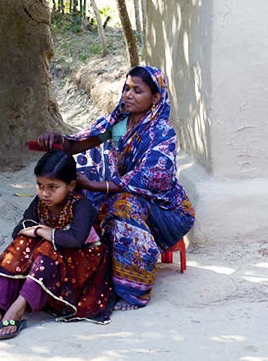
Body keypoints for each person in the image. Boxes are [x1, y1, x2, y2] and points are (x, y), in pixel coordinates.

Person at [37, 65, 195, 311]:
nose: (128, 95)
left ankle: (133, 290)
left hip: (165, 209)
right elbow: (81, 144)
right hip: (125, 192)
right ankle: (78, 265)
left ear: (155, 98)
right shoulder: (119, 124)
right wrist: (58, 141)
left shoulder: (162, 132)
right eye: (127, 88)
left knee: (122, 205)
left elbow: (153, 178)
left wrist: (99, 185)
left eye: (137, 91)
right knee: (74, 190)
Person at [0, 149, 112, 340]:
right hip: (56, 256)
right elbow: (20, 229)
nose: (44, 193)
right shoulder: (41, 202)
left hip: (84, 262)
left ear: (71, 185)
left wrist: (40, 231)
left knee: (46, 244)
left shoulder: (81, 206)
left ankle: (16, 310)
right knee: (23, 241)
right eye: (39, 185)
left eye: (52, 187)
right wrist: (37, 232)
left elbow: (75, 239)